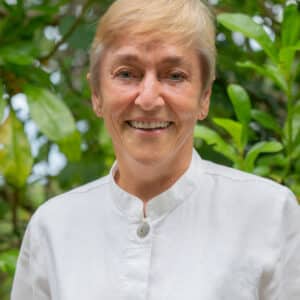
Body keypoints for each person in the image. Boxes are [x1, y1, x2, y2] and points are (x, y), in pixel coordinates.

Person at [11, 0, 300, 299]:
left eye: (174, 75)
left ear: (204, 98)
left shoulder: (269, 216)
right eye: (127, 73)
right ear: (96, 94)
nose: (148, 99)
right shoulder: (53, 229)